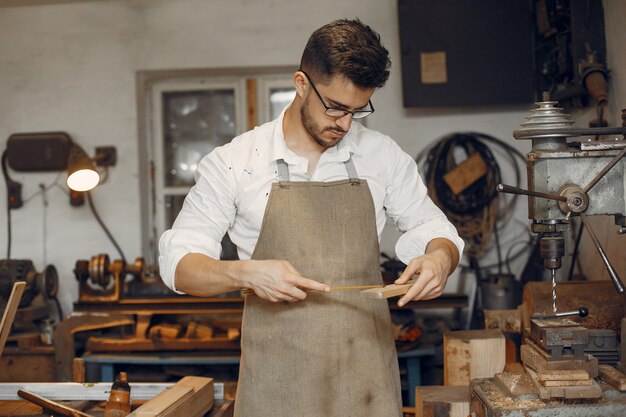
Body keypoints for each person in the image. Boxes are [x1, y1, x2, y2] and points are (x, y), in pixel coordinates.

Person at [159, 18, 463, 417]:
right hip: (277, 382)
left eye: (358, 110)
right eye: (335, 107)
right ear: (301, 83)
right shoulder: (236, 162)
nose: (345, 124)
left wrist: (439, 259)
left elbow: (433, 230)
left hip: (366, 378)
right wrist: (245, 273)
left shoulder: (381, 155)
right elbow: (179, 265)